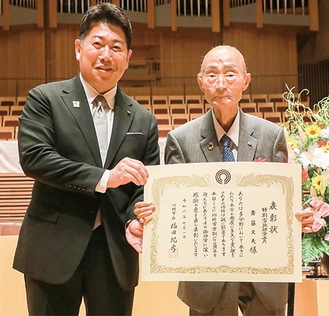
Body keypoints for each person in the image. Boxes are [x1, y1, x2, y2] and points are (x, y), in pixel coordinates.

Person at [13, 3, 160, 316]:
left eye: (116, 47)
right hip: (51, 248)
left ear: (128, 58)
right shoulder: (46, 99)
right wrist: (105, 178)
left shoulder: (144, 119)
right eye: (98, 44)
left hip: (115, 254)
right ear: (79, 48)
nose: (106, 55)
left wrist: (137, 218)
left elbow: (148, 183)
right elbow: (35, 157)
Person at [165, 45, 288, 315]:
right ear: (201, 82)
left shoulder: (272, 136)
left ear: (245, 81)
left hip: (263, 273)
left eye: (230, 74)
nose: (221, 84)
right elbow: (176, 209)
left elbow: (282, 207)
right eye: (212, 75)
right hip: (207, 275)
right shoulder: (180, 140)